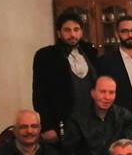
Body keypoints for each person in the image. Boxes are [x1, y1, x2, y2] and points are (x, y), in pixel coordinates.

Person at [62, 75, 132, 155]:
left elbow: (130, 147)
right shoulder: (76, 119)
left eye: (111, 92)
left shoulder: (124, 116)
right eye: (102, 92)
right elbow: (72, 154)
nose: (107, 97)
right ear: (93, 93)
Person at [32, 11, 97, 142]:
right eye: (67, 30)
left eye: (76, 29)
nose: (72, 34)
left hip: (92, 123)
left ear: (81, 32)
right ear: (59, 33)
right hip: (63, 124)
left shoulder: (91, 52)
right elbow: (39, 94)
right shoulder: (45, 56)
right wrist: (47, 126)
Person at [95, 15, 132, 123]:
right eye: (124, 31)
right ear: (117, 34)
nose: (130, 35)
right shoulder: (105, 62)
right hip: (120, 122)